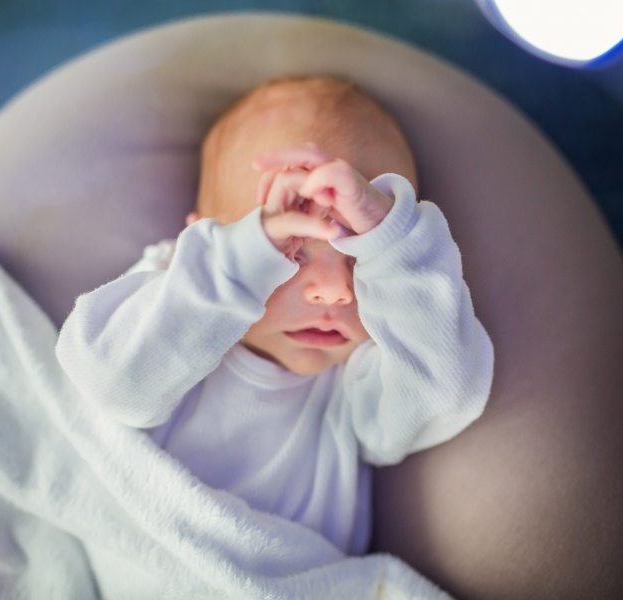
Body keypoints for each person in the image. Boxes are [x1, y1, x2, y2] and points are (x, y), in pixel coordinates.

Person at [55, 76, 493, 555]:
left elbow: (445, 393)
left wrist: (395, 246)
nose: (334, 292)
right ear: (202, 243)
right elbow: (111, 383)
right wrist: (237, 265)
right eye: (293, 253)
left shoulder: (359, 379)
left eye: (359, 261)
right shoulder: (177, 302)